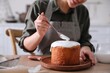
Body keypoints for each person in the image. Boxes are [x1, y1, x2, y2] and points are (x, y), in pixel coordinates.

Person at [19, 0, 96, 65]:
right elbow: (26, 46)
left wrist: (85, 49)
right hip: (44, 64)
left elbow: (84, 41)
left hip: (72, 65)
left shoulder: (82, 11)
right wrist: (39, 34)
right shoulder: (40, 6)